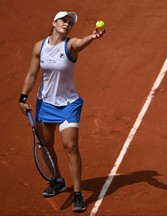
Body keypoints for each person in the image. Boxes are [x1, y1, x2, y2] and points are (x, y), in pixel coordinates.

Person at [19, 11, 105, 212]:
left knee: (70, 145)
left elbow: (79, 43)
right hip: (45, 103)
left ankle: (77, 193)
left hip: (68, 104)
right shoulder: (39, 47)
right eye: (63, 20)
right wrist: (23, 97)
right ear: (54, 22)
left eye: (70, 23)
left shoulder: (70, 45)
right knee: (46, 146)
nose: (67, 24)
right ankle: (57, 179)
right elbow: (32, 74)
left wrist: (91, 38)